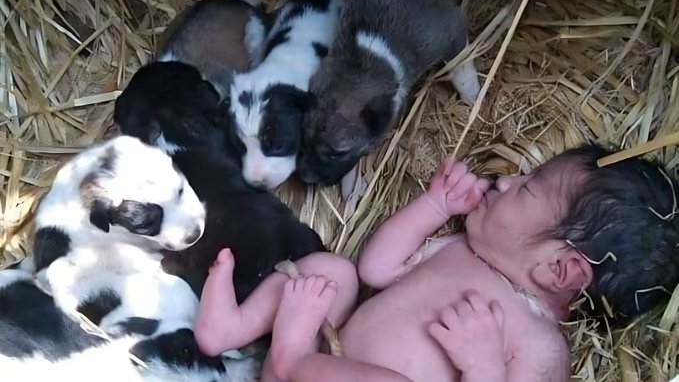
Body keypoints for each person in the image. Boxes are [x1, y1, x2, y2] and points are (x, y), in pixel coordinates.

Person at [197, 145, 679, 382]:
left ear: (560, 270)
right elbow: (375, 270)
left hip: (305, 361)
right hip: (327, 355)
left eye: (528, 188)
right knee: (333, 273)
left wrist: (484, 366)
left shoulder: (541, 347)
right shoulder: (460, 250)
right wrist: (435, 206)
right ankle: (230, 330)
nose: (507, 180)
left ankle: (292, 357)